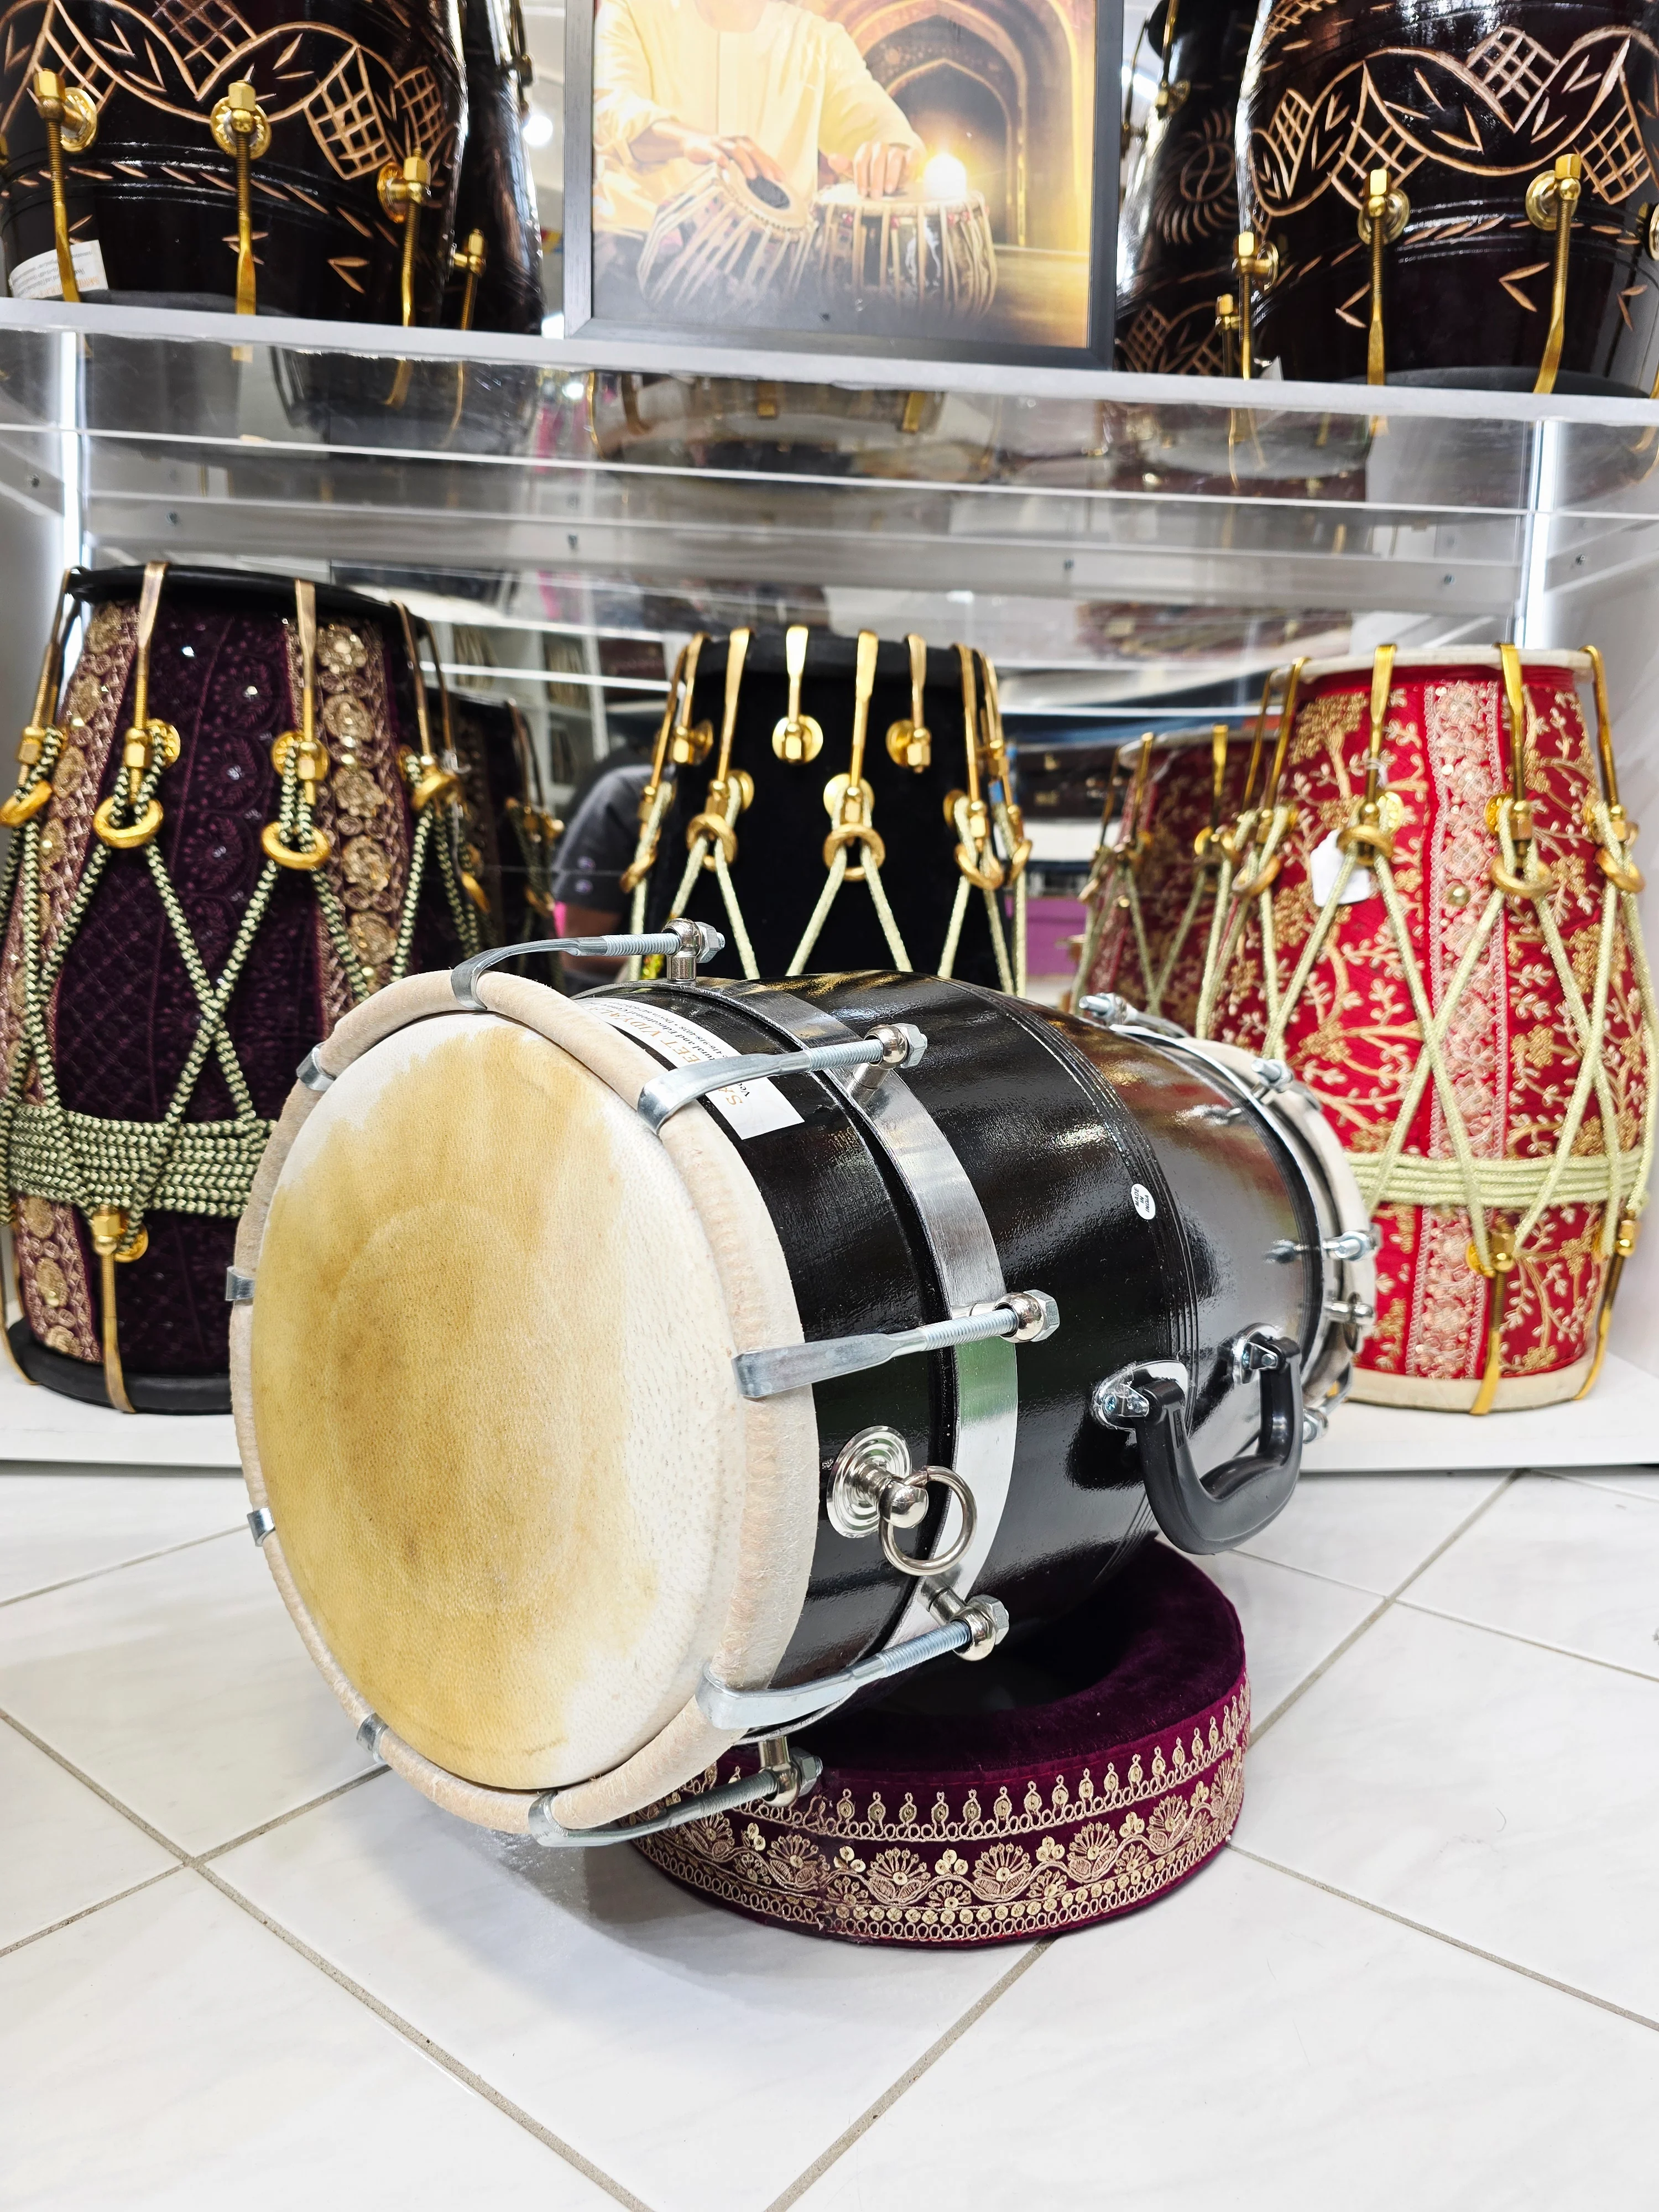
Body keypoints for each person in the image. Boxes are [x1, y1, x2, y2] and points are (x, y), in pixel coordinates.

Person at [592, 0, 922, 309]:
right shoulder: (632, 9)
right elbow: (612, 108)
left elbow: (884, 128)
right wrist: (691, 140)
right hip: (635, 258)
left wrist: (890, 154)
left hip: (774, 278)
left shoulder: (818, 41)